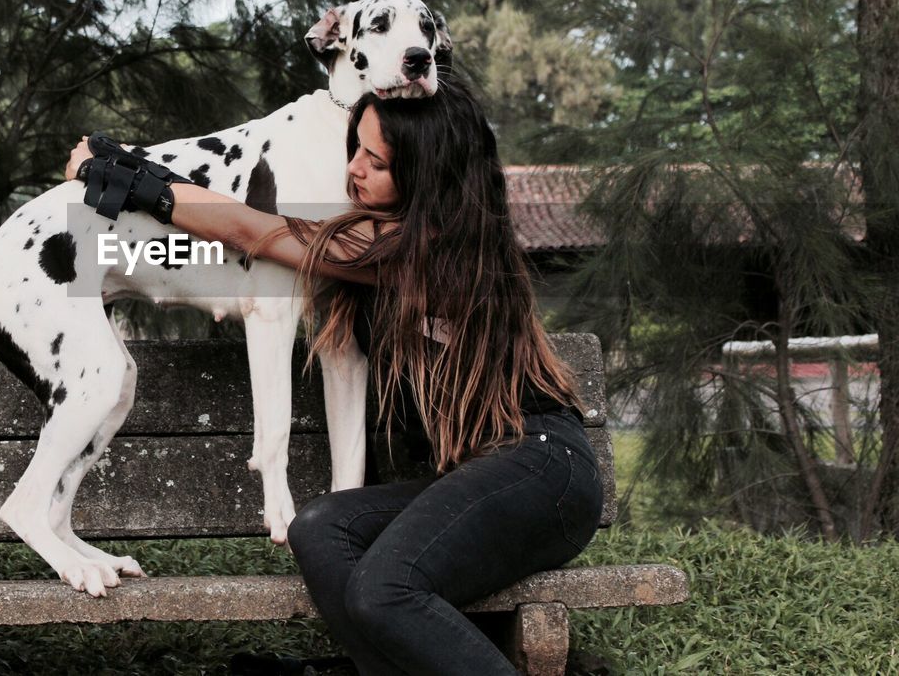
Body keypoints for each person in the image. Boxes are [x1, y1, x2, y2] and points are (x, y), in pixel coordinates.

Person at [66, 78, 604, 675]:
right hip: (484, 476)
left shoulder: (428, 244)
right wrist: (123, 190)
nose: (354, 171)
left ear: (427, 174)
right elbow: (222, 253)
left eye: (376, 161)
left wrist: (124, 177)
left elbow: (255, 231)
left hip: (541, 467)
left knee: (384, 589)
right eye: (355, 149)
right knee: (322, 529)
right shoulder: (372, 241)